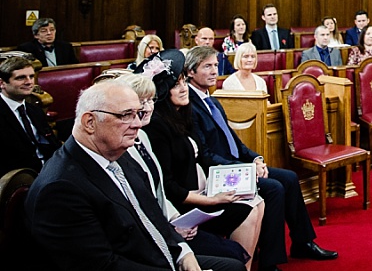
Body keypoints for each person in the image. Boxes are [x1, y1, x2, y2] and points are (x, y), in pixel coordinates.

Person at [24, 80, 244, 271]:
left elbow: (153, 216)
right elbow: (102, 266)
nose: (138, 124)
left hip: (156, 255)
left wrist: (183, 253)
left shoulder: (119, 155)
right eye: (126, 115)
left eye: (137, 113)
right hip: (135, 264)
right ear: (90, 122)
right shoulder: (61, 188)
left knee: (233, 265)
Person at [184, 47, 337, 271]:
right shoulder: (190, 106)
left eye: (216, 65)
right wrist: (245, 168)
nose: (214, 71)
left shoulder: (212, 100)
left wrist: (256, 158)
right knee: (274, 188)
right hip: (220, 174)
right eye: (207, 66)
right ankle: (269, 262)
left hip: (237, 166)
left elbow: (233, 140)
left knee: (289, 178)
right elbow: (205, 156)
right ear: (190, 72)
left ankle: (302, 242)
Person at [143, 52, 261, 267]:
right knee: (246, 213)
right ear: (162, 93)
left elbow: (205, 156)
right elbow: (168, 186)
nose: (183, 88)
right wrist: (211, 200)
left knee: (252, 204)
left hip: (201, 191)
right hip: (184, 207)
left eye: (183, 83)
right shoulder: (157, 127)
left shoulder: (182, 115)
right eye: (175, 85)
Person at [0, 55, 60, 175]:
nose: (29, 82)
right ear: (2, 83)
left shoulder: (35, 110)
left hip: (49, 172)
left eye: (31, 76)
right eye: (21, 78)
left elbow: (52, 145)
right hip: (17, 179)